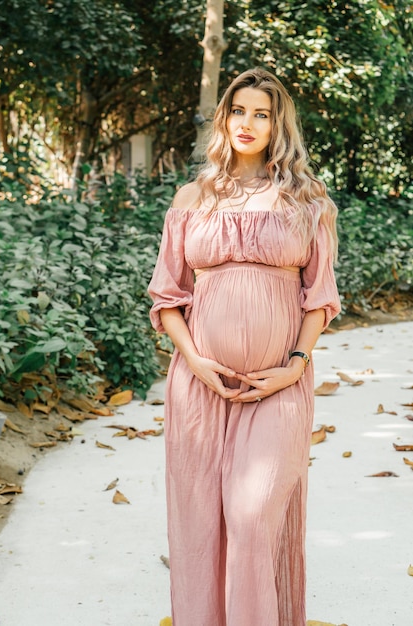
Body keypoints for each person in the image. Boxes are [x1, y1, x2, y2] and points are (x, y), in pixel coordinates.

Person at [148, 67, 341, 626]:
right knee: (202, 526)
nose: (248, 123)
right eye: (239, 111)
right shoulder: (193, 196)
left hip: (276, 384)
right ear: (223, 118)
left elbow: (320, 297)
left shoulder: (306, 197)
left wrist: (296, 366)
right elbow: (167, 296)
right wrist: (194, 361)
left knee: (252, 517)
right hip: (200, 386)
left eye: (263, 113)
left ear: (279, 125)